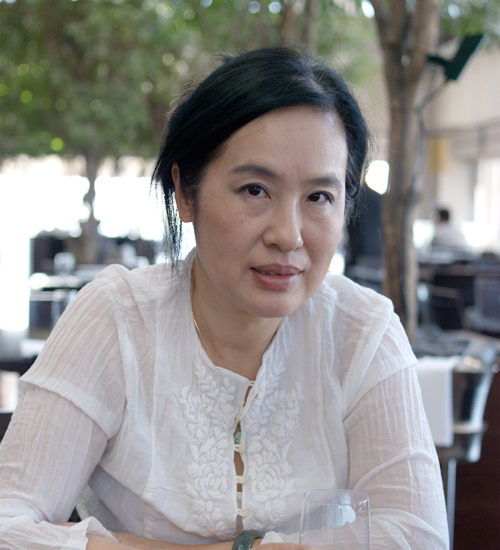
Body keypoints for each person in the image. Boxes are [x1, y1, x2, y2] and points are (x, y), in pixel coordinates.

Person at [0, 46, 449, 550]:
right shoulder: (117, 318)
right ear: (184, 192)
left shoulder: (363, 331)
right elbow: (7, 525)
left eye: (319, 197)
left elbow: (419, 536)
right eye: (255, 190)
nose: (288, 235)